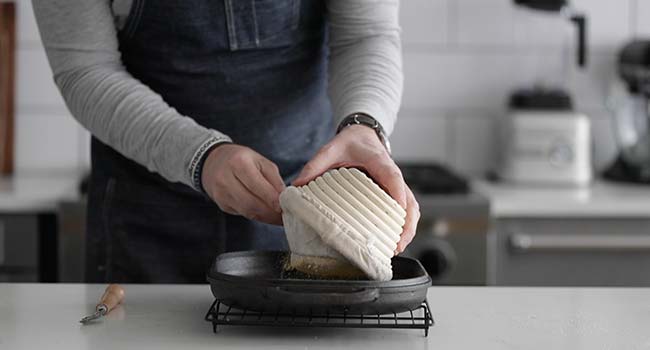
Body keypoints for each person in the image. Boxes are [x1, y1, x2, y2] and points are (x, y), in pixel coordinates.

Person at [33, 0, 420, 283]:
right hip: (147, 218)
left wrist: (364, 124)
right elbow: (86, 71)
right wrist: (200, 155)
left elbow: (366, 34)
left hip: (307, 211)